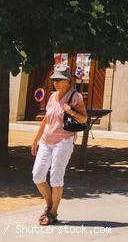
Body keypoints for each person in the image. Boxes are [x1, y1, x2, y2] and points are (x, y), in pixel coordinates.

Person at [31, 65, 88, 226]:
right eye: (54, 79)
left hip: (64, 141)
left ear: (68, 81)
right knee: (38, 175)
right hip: (46, 141)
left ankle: (53, 213)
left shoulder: (75, 96)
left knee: (56, 177)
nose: (55, 82)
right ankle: (49, 204)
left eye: (58, 80)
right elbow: (46, 119)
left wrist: (70, 111)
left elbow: (83, 119)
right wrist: (36, 139)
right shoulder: (52, 96)